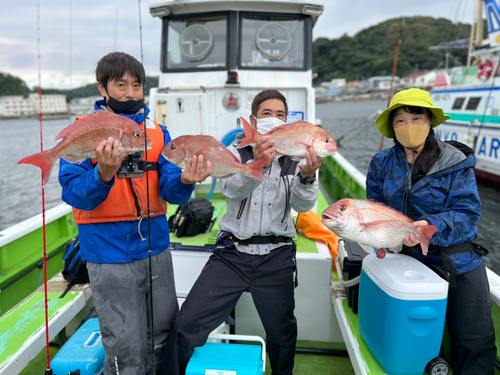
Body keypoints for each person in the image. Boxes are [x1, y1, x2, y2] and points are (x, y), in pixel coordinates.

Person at [58, 52, 211, 375]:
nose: (131, 93)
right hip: (107, 253)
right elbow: (73, 193)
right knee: (123, 341)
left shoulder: (157, 134)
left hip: (156, 248)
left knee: (162, 332)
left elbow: (169, 187)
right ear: (103, 88)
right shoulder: (82, 132)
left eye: (137, 85)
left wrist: (184, 179)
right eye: (121, 85)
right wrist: (103, 174)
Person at [161, 89, 324, 375]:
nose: (273, 119)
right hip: (232, 254)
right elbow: (231, 189)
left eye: (280, 115)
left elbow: (303, 204)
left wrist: (309, 176)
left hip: (277, 256)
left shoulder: (299, 159)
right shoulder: (234, 153)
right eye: (266, 114)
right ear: (253, 120)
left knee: (283, 335)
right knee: (187, 324)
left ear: (288, 123)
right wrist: (255, 163)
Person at [367, 88, 496, 374]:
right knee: (411, 343)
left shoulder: (455, 162)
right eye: (400, 120)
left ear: (429, 122)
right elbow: (373, 208)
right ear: (392, 128)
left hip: (458, 262)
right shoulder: (381, 163)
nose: (408, 126)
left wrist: (430, 227)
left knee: (475, 343)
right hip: (407, 264)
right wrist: (375, 238)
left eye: (416, 118)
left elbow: (467, 214)